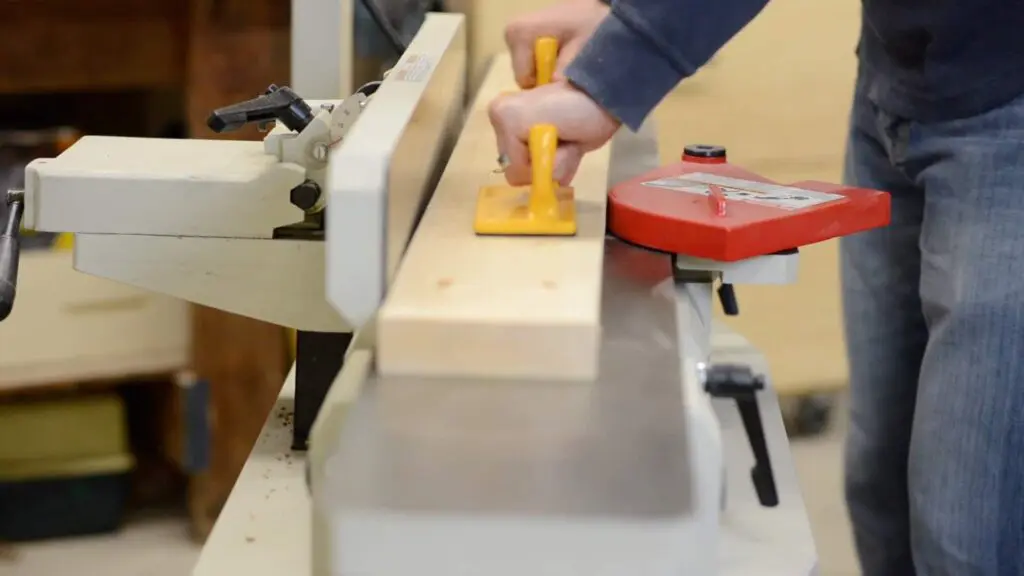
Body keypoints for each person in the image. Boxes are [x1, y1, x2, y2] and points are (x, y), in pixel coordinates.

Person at [488, 1, 1024, 574]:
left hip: (1006, 97)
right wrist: (616, 17)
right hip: (900, 74)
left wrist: (617, 69)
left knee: (965, 537)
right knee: (881, 487)